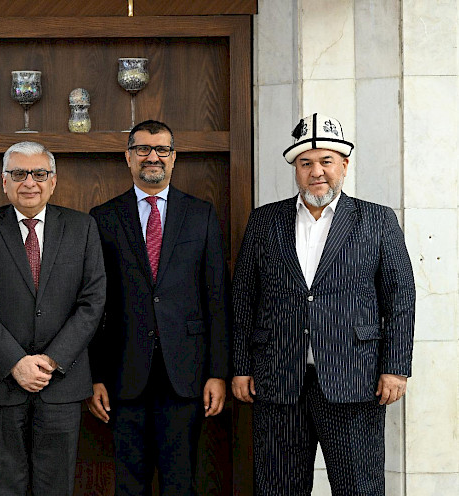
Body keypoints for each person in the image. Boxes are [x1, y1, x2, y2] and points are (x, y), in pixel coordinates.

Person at [231, 113, 416, 495]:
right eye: (306, 163)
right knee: (278, 488)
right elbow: (244, 298)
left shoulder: (377, 220)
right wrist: (241, 366)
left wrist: (396, 368)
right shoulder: (264, 221)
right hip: (278, 379)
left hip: (355, 379)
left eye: (326, 161)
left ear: (344, 165)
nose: (317, 171)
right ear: (296, 169)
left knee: (359, 488)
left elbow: (400, 297)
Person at [87, 120, 230, 495]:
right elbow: (94, 306)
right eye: (143, 149)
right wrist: (95, 376)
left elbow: (216, 298)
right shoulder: (103, 217)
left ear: (174, 156)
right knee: (129, 484)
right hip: (123, 376)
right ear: (128, 157)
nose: (153, 157)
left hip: (185, 375)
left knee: (180, 482)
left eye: (162, 149)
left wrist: (218, 373)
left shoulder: (200, 214)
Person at [0, 141, 106, 496]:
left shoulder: (82, 227)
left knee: (55, 488)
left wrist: (51, 360)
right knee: (2, 487)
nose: (30, 182)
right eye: (19, 174)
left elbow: (92, 302)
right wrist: (15, 362)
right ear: (4, 182)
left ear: (53, 181)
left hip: (61, 384)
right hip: (0, 383)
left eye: (39, 174)